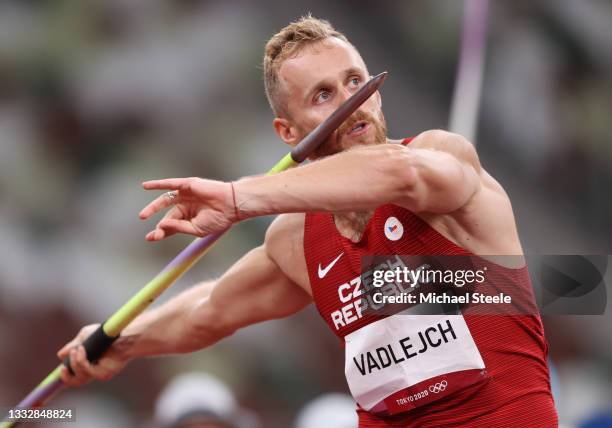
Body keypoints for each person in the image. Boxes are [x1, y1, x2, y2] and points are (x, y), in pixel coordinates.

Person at [58, 15, 558, 427]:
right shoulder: (299, 239)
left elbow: (399, 173)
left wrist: (238, 196)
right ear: (288, 131)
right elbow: (209, 310)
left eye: (356, 82)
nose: (350, 102)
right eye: (323, 95)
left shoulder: (440, 160)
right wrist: (120, 341)